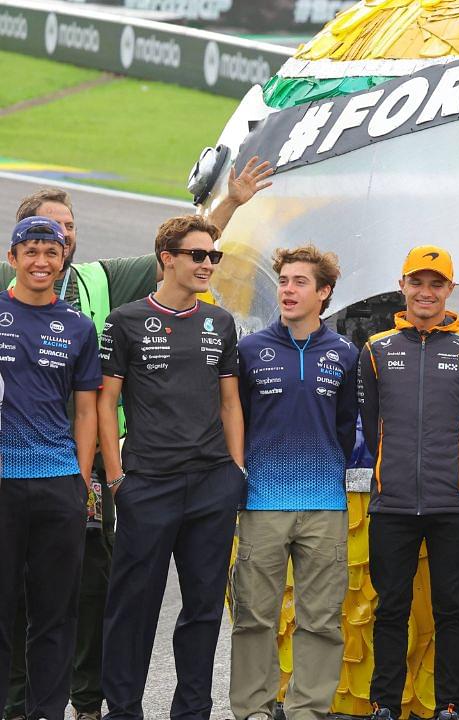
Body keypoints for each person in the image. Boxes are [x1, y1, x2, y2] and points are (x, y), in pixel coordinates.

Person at [4, 160, 273, 720]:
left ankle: (84, 701)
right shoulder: (10, 293)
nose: (57, 241)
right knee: (26, 598)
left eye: (67, 228)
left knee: (89, 583)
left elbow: (182, 252)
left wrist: (231, 204)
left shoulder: (101, 280)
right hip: (31, 467)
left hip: (83, 466)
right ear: (18, 244)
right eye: (44, 230)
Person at [97, 215, 245, 720]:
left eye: (213, 256)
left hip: (212, 486)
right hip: (147, 484)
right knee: (132, 607)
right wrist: (117, 477)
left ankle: (191, 711)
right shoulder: (125, 320)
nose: (208, 264)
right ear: (168, 259)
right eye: (198, 255)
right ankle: (123, 710)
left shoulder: (219, 322)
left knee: (204, 609)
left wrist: (236, 472)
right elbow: (104, 401)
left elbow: (230, 402)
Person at [360, 246, 459, 720]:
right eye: (417, 282)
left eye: (436, 283)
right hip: (392, 503)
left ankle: (449, 705)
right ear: (402, 286)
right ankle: (385, 704)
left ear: (449, 290)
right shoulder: (376, 349)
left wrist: (457, 475)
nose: (425, 292)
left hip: (451, 504)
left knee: (451, 611)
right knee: (391, 609)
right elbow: (371, 419)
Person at [230, 246, 359, 720]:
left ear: (324, 293)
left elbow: (348, 427)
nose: (287, 289)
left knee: (321, 620)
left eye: (300, 282)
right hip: (262, 502)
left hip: (325, 503)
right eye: (283, 280)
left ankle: (308, 710)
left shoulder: (346, 354)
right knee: (253, 617)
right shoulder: (248, 350)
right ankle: (253, 710)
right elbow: (234, 419)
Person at [0, 217, 100, 720]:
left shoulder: (79, 327)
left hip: (58, 481)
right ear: (13, 257)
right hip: (2, 482)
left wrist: (80, 483)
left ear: (63, 261)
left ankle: (46, 712)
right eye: (31, 250)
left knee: (55, 612)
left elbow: (87, 411)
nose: (42, 261)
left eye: (51, 252)